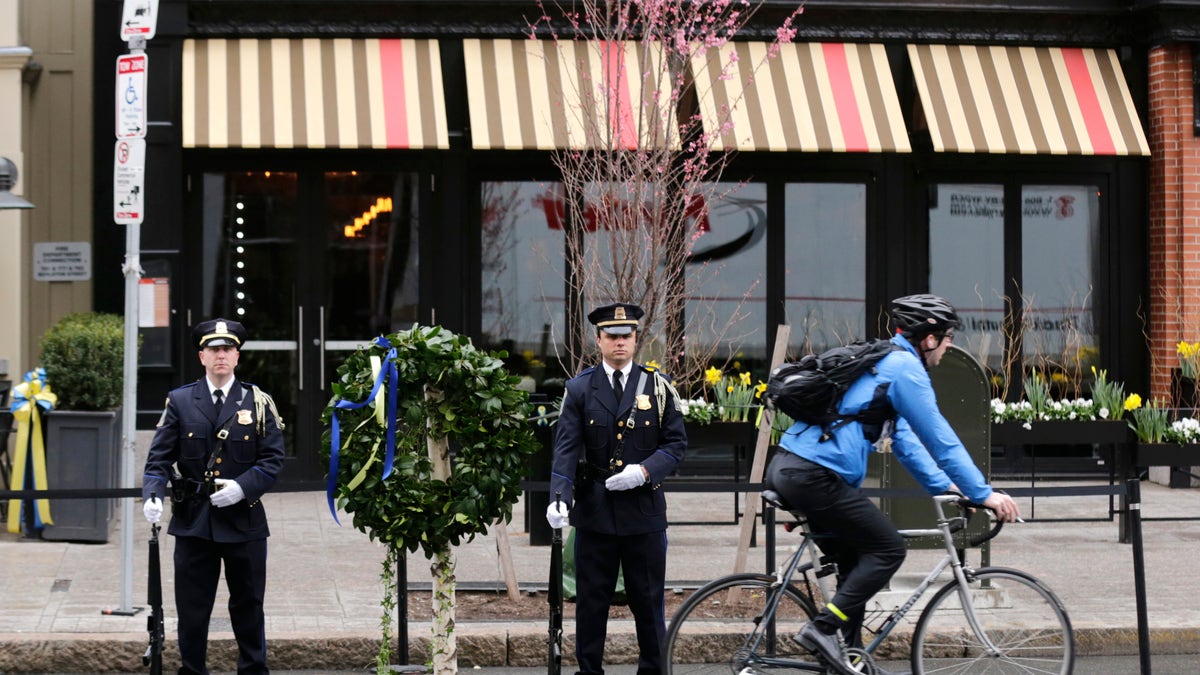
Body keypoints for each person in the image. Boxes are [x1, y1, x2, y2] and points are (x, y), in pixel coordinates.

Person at [765, 294, 1020, 675]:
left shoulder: (886, 364)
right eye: (947, 336)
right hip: (813, 475)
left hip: (792, 467)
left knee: (855, 564)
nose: (950, 344)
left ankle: (849, 660)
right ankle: (821, 629)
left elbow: (908, 445)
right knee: (888, 549)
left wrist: (951, 490)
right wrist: (983, 493)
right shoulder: (904, 369)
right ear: (928, 339)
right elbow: (941, 439)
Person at [546, 302, 687, 675]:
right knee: (591, 604)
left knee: (648, 603)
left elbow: (675, 445)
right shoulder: (579, 388)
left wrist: (643, 471)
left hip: (643, 512)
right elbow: (565, 448)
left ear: (636, 338)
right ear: (599, 339)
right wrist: (559, 498)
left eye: (627, 336)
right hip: (595, 512)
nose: (620, 343)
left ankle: (653, 671)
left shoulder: (658, 387)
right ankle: (589, 672)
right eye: (612, 336)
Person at [141, 318, 286, 675]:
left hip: (244, 521)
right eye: (213, 349)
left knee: (249, 606)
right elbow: (158, 460)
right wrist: (153, 494)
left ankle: (253, 670)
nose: (221, 356)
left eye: (228, 349)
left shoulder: (258, 401)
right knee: (192, 610)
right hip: (194, 521)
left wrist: (243, 487)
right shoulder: (180, 401)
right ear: (201, 356)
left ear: (237, 356)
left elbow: (272, 459)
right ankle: (192, 670)